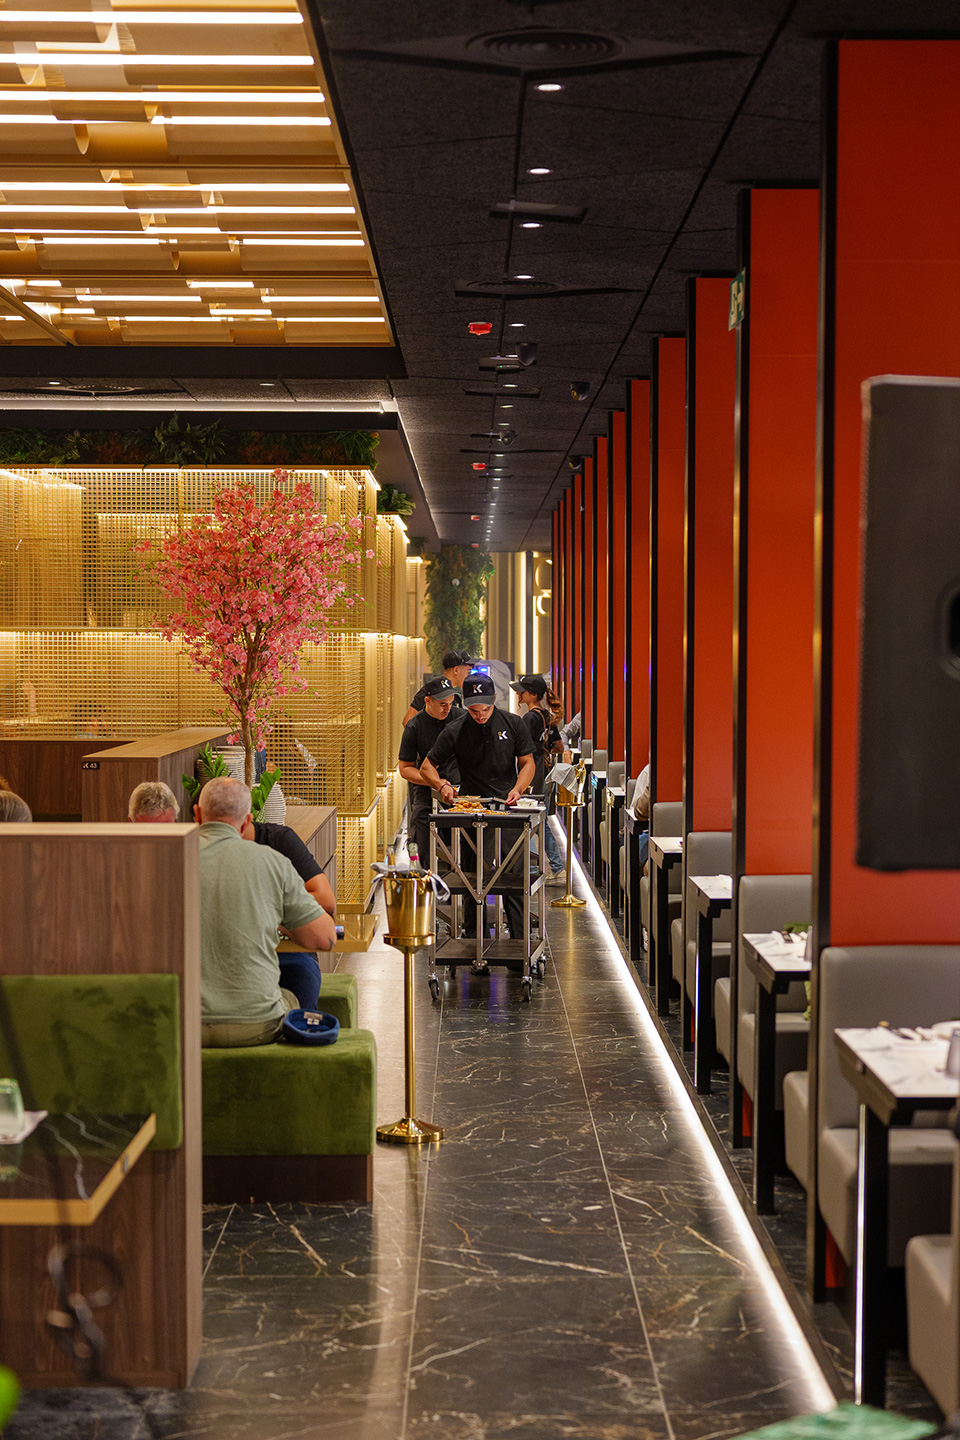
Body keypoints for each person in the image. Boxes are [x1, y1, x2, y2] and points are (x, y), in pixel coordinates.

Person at [195, 777, 336, 1047]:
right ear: (247, 821)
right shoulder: (272, 862)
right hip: (257, 1024)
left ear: (197, 815)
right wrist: (275, 914)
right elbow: (325, 938)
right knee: (296, 998)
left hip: (184, 1025)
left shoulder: (169, 858)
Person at [419, 673, 535, 966]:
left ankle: (519, 946)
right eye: (473, 710)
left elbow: (527, 762)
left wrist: (518, 788)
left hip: (508, 809)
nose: (480, 715)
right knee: (474, 881)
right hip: (472, 811)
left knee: (513, 879)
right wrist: (442, 786)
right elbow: (426, 766)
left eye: (485, 709)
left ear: (495, 700)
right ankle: (474, 945)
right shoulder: (455, 730)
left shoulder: (513, 724)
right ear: (465, 705)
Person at [241, 814, 338, 1012]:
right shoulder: (198, 853)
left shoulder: (277, 844)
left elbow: (326, 900)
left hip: (291, 953)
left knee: (301, 978)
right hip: (239, 956)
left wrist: (265, 913)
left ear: (246, 819)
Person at [397, 675, 463, 864]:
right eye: (442, 704)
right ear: (427, 701)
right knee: (421, 825)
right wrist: (435, 782)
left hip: (460, 788)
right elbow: (405, 768)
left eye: (450, 703)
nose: (447, 709)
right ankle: (425, 872)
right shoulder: (414, 725)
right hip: (426, 789)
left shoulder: (462, 718)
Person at [510, 674, 565, 883]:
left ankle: (537, 867)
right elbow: (559, 747)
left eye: (522, 690)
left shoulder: (529, 718)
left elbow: (520, 747)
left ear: (533, 694)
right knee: (540, 820)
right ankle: (551, 866)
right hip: (544, 771)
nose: (518, 694)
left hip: (532, 774)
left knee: (531, 819)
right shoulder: (546, 716)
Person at [402, 649, 478, 725]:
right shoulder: (433, 690)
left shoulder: (455, 696)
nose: (469, 676)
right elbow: (408, 722)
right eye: (468, 671)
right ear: (456, 670)